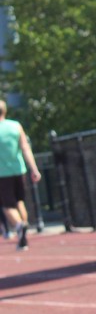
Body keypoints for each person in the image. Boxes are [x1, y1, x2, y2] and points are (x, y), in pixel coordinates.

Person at [0, 99, 41, 249]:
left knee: (7, 206)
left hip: (2, 174)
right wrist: (34, 169)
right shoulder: (16, 126)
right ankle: (23, 229)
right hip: (19, 170)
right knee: (19, 201)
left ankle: (19, 226)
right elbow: (25, 148)